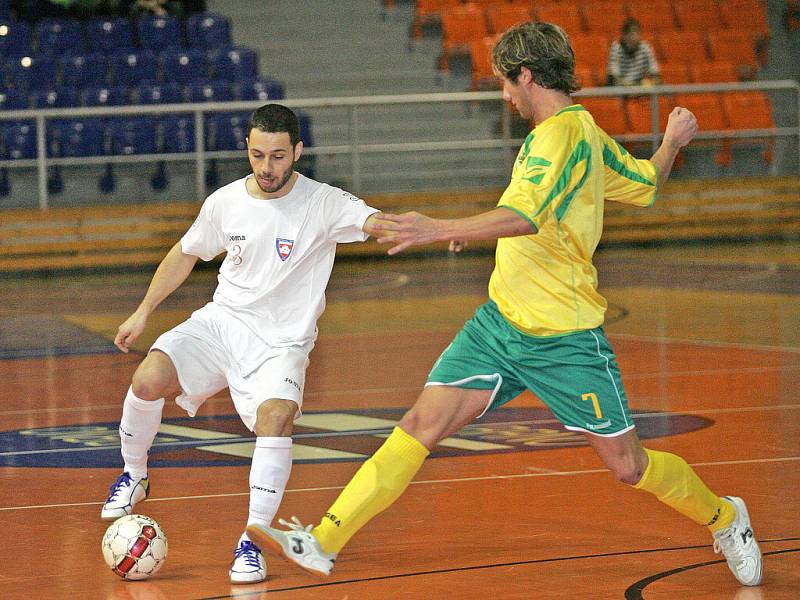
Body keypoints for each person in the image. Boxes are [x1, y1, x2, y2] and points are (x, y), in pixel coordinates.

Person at [248, 23, 763, 588]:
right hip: (499, 326)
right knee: (420, 423)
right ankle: (324, 540)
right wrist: (671, 142)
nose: (503, 95)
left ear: (526, 75)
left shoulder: (562, 138)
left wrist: (437, 227)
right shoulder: (577, 134)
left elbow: (525, 217)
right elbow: (646, 182)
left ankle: (725, 516)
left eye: (504, 83)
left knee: (629, 467)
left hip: (565, 339)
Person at [99, 103, 384, 585]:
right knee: (147, 379)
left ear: (297, 151)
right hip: (222, 324)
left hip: (281, 344)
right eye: (256, 155)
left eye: (277, 156)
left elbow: (374, 221)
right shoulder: (225, 201)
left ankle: (252, 542)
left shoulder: (323, 202)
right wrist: (143, 311)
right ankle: (134, 475)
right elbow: (185, 253)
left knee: (275, 420)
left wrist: (422, 229)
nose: (266, 168)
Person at [607, 18, 661, 86]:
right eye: (631, 34)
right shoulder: (616, 48)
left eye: (638, 33)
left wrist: (651, 81)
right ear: (624, 36)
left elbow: (656, 76)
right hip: (620, 90)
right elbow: (615, 80)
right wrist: (632, 85)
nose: (635, 37)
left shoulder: (646, 48)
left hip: (639, 88)